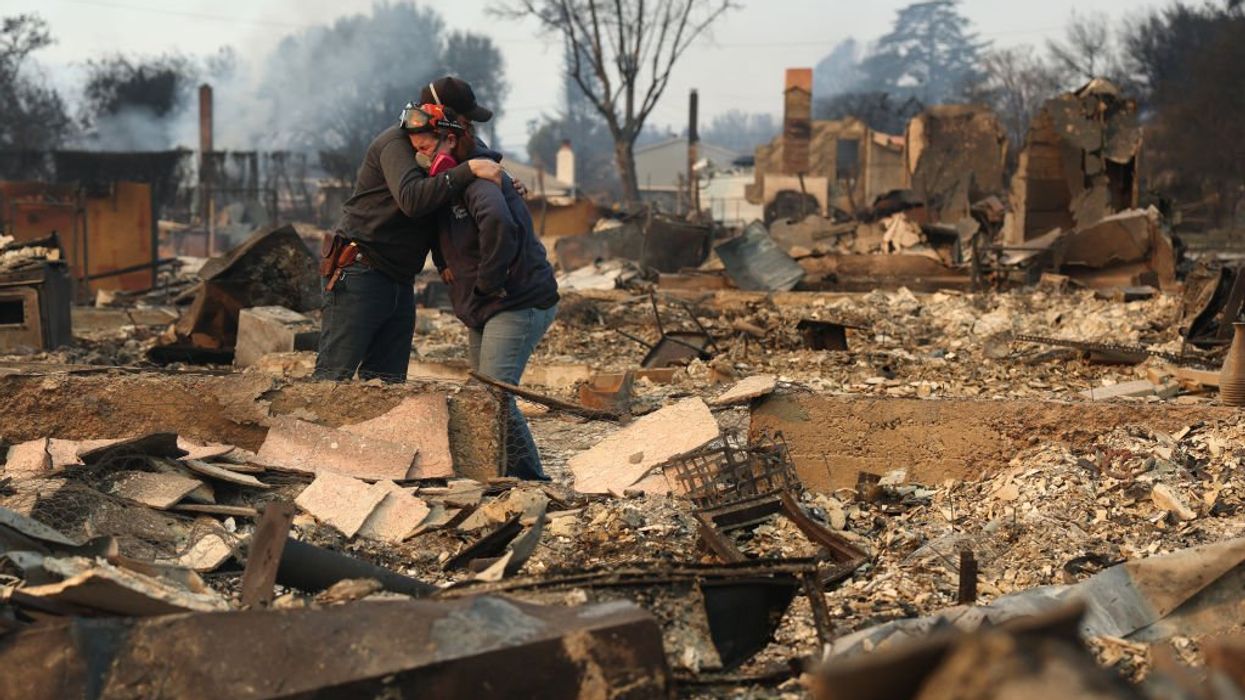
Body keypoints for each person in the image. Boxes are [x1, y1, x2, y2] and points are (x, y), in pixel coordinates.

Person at [313, 79, 508, 382]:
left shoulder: (449, 142)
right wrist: (467, 171)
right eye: (465, 119)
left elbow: (480, 158)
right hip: (362, 270)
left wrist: (505, 179)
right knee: (332, 378)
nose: (468, 126)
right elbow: (413, 200)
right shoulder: (397, 143)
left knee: (386, 383)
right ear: (443, 114)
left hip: (400, 278)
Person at [405, 99, 560, 481]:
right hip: (486, 305)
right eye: (415, 149)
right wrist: (443, 264)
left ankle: (531, 479)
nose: (420, 157)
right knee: (483, 397)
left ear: (449, 140)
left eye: (425, 147)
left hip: (517, 300)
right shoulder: (450, 186)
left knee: (494, 397)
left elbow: (498, 223)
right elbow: (442, 231)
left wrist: (489, 282)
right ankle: (499, 476)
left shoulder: (479, 180)